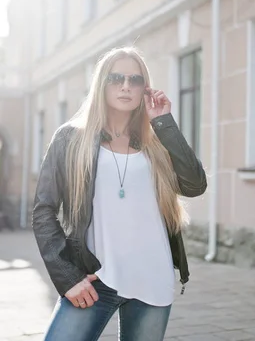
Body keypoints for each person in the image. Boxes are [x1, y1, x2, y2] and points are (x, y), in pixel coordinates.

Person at [32, 46, 207, 341]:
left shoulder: (156, 142)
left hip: (153, 279)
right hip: (95, 278)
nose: (126, 86)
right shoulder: (71, 139)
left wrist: (164, 122)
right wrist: (67, 277)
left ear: (144, 88)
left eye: (135, 80)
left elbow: (194, 185)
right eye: (116, 78)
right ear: (102, 84)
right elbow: (43, 210)